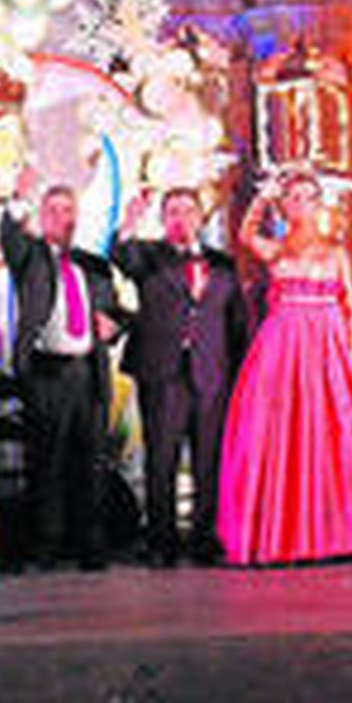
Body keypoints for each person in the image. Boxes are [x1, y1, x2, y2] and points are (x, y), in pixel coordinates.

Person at [217, 171, 352, 565]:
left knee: (339, 429)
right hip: (281, 343)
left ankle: (346, 530)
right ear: (285, 205)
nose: (301, 203)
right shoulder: (276, 248)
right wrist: (263, 197)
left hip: (325, 346)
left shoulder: (336, 250)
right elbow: (245, 236)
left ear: (318, 203)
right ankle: (282, 535)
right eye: (293, 197)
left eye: (308, 196)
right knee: (279, 430)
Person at [110, 186, 249, 566]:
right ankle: (161, 541)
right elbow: (121, 255)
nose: (181, 218)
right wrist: (130, 221)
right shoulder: (149, 257)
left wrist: (240, 373)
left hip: (211, 373)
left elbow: (236, 322)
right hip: (162, 371)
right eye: (173, 211)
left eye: (188, 210)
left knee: (209, 459)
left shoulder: (223, 264)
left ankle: (204, 538)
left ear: (200, 218)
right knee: (161, 457)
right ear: (162, 219)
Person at [0, 175, 122, 570]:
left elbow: (117, 310)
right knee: (46, 462)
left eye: (67, 210)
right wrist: (18, 197)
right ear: (41, 217)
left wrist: (115, 325)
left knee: (90, 463)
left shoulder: (93, 265)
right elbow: (10, 237)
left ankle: (91, 545)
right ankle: (46, 546)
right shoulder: (30, 256)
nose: (61, 217)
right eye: (52, 211)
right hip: (46, 371)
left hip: (87, 372)